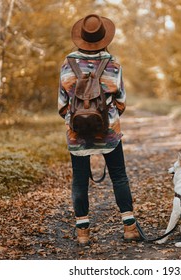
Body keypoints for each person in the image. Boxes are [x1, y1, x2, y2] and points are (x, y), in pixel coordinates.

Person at [58, 14, 141, 245]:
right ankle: (130, 228)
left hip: (76, 133)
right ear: (104, 37)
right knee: (119, 176)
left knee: (79, 180)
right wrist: (107, 120)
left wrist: (77, 122)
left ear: (81, 38)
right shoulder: (113, 64)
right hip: (109, 131)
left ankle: (83, 233)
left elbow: (62, 104)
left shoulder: (67, 64)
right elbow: (122, 101)